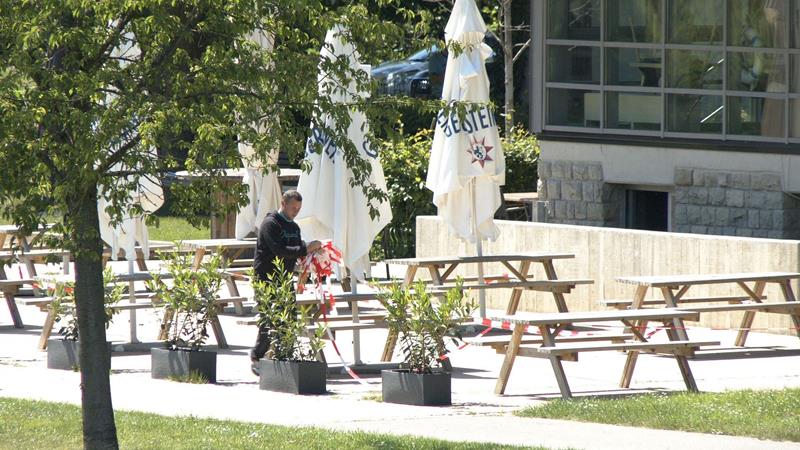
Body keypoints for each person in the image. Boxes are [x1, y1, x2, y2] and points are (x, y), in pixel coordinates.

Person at [249, 190, 321, 375]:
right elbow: (279, 250)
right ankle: (257, 356)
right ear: (283, 202)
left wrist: (313, 252)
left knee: (288, 318)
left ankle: (282, 355)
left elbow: (297, 250)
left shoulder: (294, 227)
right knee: (269, 317)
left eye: (298, 208)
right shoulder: (270, 223)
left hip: (284, 277)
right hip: (266, 277)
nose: (296, 211)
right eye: (293, 207)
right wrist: (305, 248)